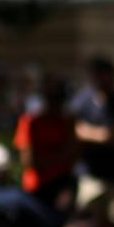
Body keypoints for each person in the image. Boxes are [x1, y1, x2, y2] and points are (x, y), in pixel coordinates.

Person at [68, 57, 114, 227]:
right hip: (91, 175)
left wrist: (89, 133)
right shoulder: (82, 101)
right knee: (87, 222)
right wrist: (105, 135)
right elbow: (74, 131)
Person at [12, 76, 77, 213]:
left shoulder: (67, 123)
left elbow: (71, 155)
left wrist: (47, 159)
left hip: (62, 185)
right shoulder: (29, 123)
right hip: (35, 187)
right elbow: (29, 161)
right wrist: (58, 157)